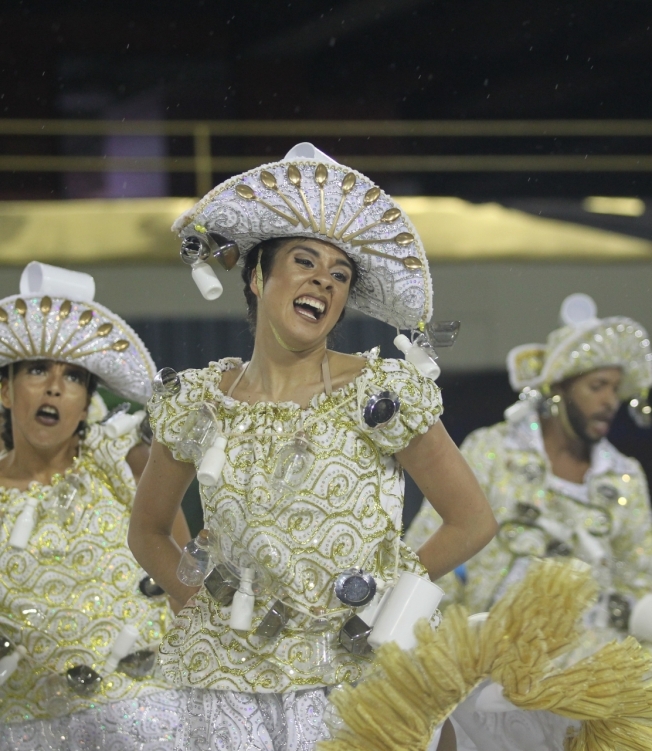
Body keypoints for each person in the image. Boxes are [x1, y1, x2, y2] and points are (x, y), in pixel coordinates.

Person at [128, 143, 497, 751]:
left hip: (359, 679)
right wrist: (203, 601)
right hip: (230, 686)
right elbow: (146, 531)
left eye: (340, 274)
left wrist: (386, 601)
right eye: (304, 261)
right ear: (255, 275)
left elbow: (471, 520)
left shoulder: (382, 392)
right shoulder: (198, 401)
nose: (323, 280)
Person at [0, 263, 191, 750]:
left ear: (86, 403)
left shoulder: (129, 464)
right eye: (38, 370)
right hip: (28, 729)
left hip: (157, 723)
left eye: (73, 378)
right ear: (5, 389)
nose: (54, 388)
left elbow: (190, 587)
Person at [406, 293, 652, 645]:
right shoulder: (494, 450)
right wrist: (440, 646)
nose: (609, 401)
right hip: (486, 660)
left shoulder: (625, 477)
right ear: (558, 390)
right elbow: (431, 544)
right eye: (597, 386)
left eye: (615, 389)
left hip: (588, 673)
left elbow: (639, 580)